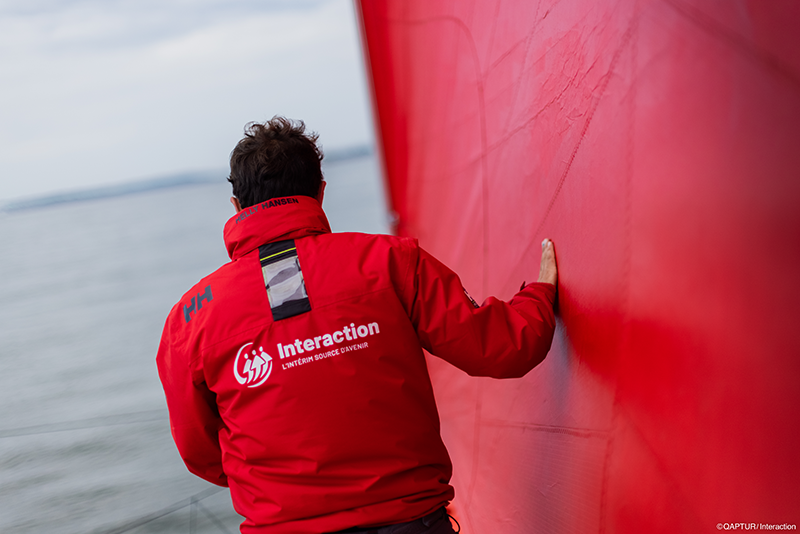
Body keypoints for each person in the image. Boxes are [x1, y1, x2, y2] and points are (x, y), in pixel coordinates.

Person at [156, 117, 558, 534]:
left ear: (237, 207)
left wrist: (277, 481)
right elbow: (504, 347)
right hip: (412, 522)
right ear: (320, 192)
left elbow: (198, 449)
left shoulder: (189, 318)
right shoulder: (391, 261)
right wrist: (542, 294)